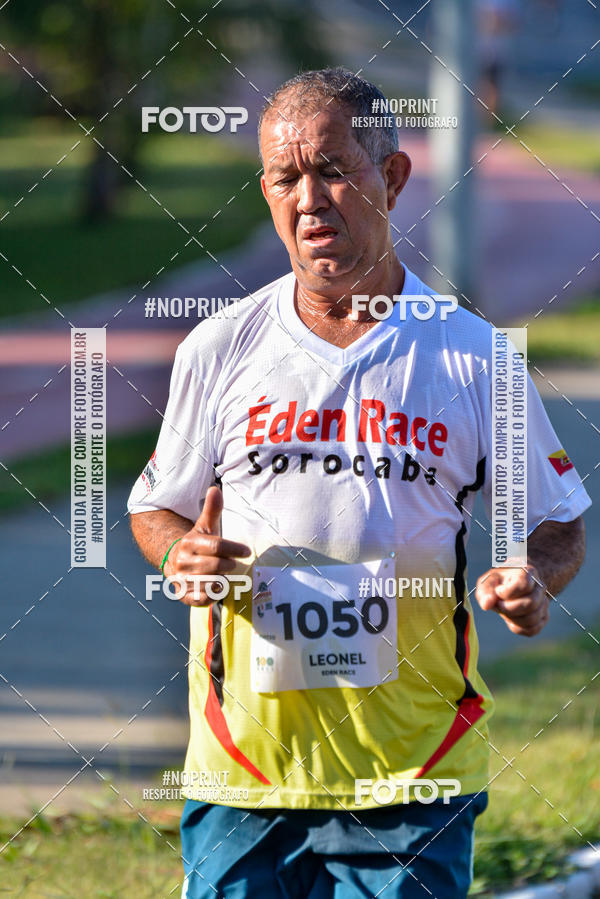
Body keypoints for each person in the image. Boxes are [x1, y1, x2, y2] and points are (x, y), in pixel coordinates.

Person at [128, 68, 590, 899]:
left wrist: (532, 578)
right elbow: (156, 504)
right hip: (245, 773)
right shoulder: (221, 346)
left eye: (335, 168)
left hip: (412, 774)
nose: (310, 199)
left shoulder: (472, 355)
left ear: (394, 177)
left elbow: (556, 522)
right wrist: (180, 553)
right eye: (285, 177)